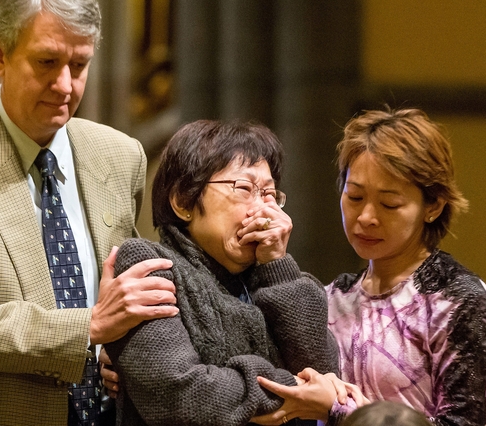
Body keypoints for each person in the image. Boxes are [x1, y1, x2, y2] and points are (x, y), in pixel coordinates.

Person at [0, 0, 178, 425]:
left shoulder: (120, 155)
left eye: (79, 65)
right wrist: (87, 328)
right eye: (47, 62)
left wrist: (117, 348)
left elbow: (124, 298)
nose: (65, 85)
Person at [252, 108, 486, 426]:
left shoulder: (454, 298)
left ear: (433, 206)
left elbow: (466, 423)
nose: (366, 217)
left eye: (389, 203)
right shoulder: (334, 294)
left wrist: (339, 411)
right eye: (354, 197)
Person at [100, 119, 340, 425]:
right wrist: (295, 389)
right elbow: (181, 397)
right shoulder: (150, 264)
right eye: (244, 189)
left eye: (269, 194)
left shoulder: (280, 279)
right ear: (183, 200)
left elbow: (325, 375)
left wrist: (277, 263)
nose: (264, 211)